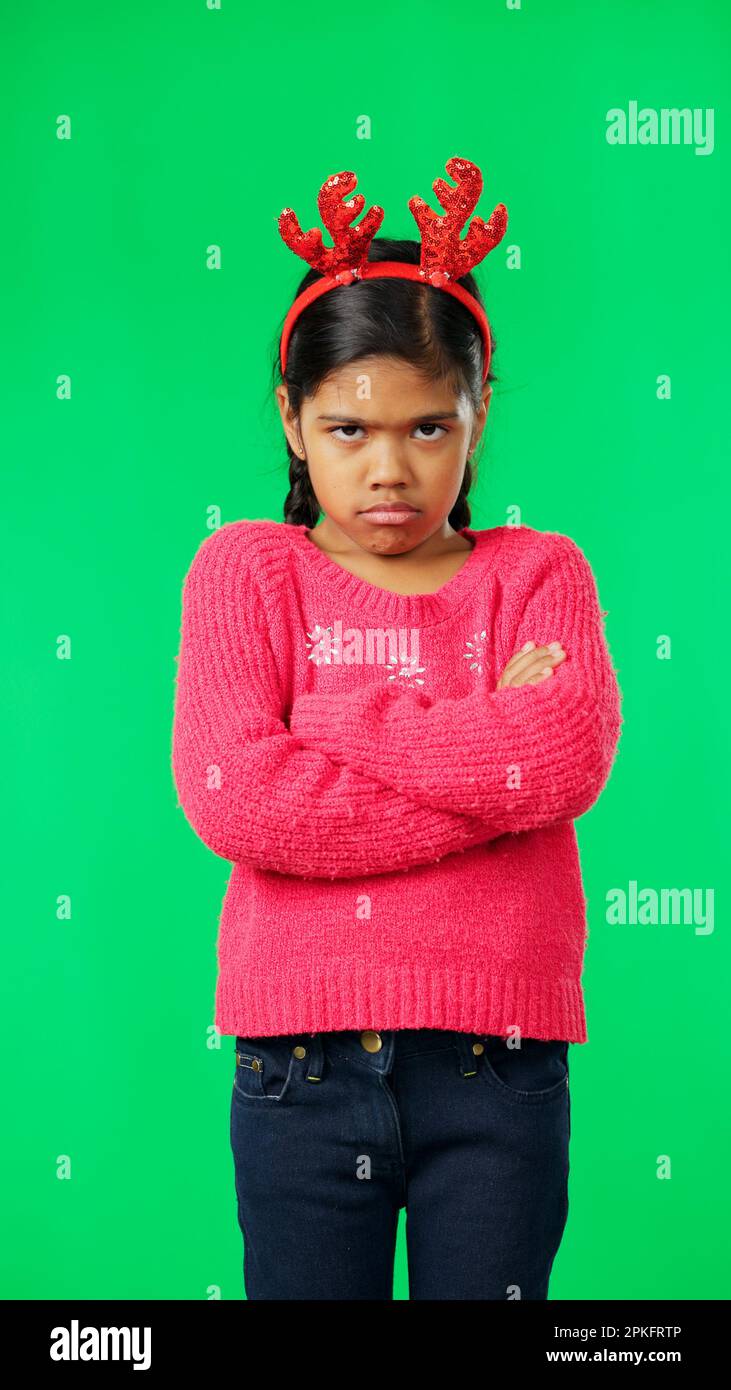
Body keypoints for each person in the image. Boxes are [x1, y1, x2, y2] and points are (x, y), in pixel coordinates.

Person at [171, 156, 624, 1301]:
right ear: (289, 415)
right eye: (347, 428)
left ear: (478, 409)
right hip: (299, 1071)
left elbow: (561, 757)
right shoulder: (246, 570)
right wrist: (481, 747)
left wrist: (329, 721)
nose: (388, 470)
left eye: (429, 426)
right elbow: (236, 794)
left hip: (499, 1065)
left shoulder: (538, 571)